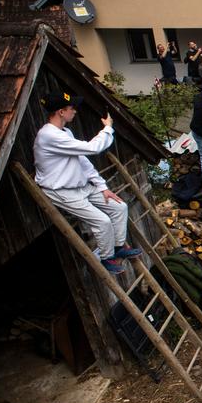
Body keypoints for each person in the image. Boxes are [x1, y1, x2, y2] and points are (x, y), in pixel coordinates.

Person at [34, 92, 141, 275]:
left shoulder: (65, 132)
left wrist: (103, 187)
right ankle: (107, 258)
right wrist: (107, 128)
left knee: (119, 207)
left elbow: (82, 161)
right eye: (71, 108)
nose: (75, 111)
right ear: (61, 111)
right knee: (102, 221)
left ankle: (117, 247)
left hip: (80, 185)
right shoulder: (48, 136)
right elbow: (92, 148)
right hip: (61, 190)